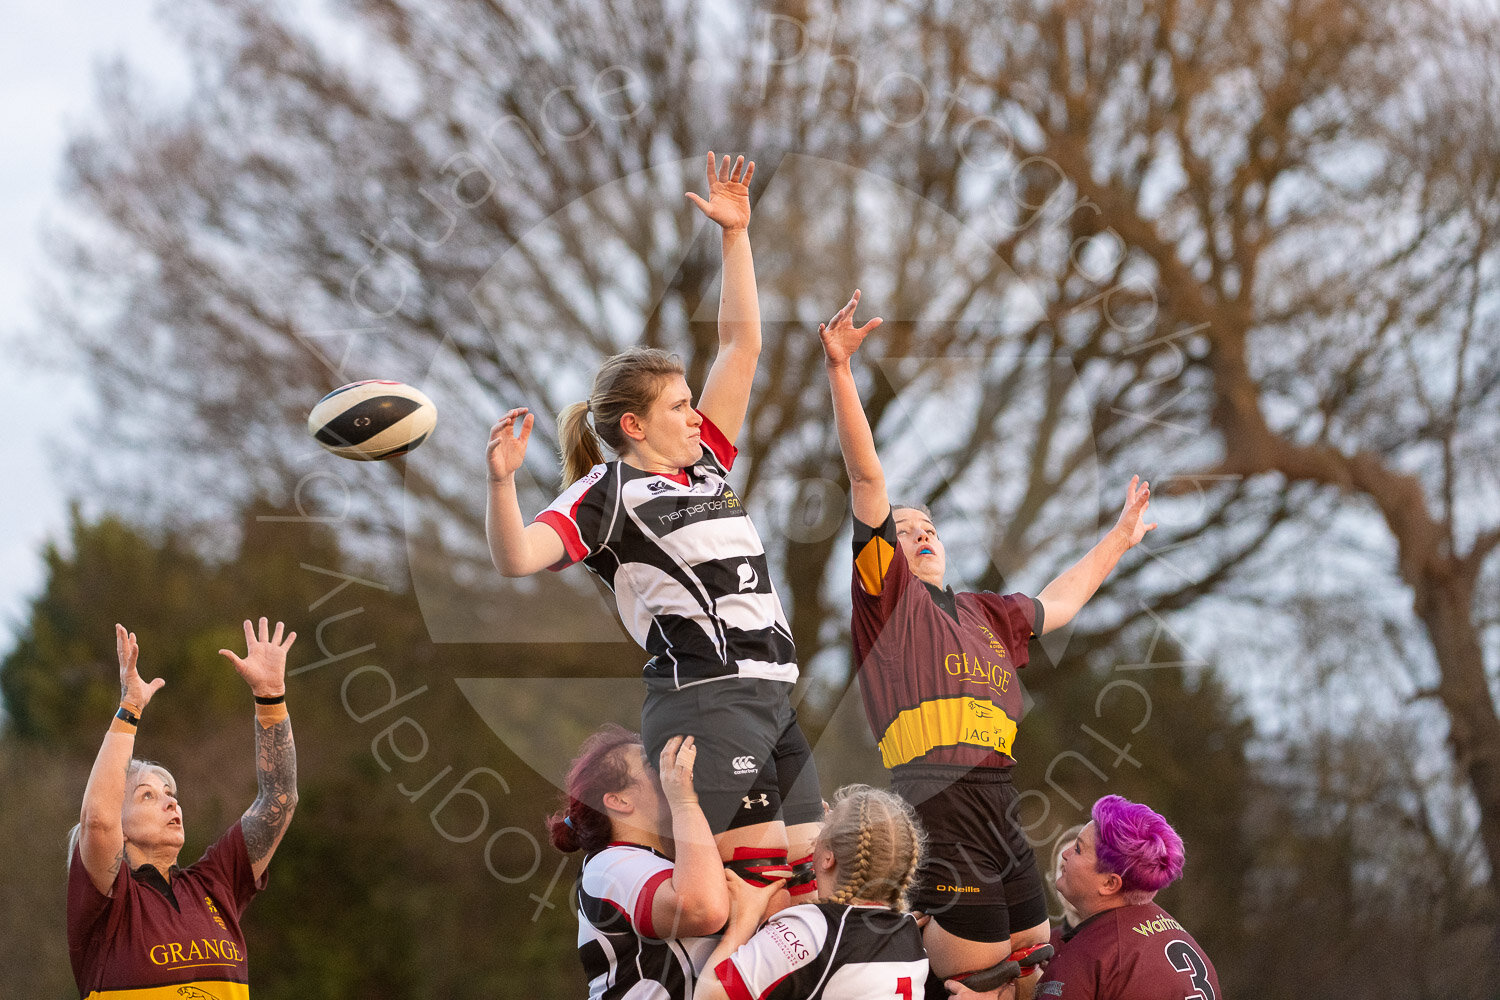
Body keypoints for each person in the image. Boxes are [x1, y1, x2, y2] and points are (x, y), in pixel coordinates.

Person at [488, 152, 822, 896]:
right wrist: (501, 482)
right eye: (678, 405)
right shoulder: (605, 493)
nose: (693, 413)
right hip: (706, 702)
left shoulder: (706, 465)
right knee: (750, 892)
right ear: (634, 424)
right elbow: (516, 556)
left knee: (815, 888)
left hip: (773, 694)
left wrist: (735, 237)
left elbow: (743, 345)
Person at [818, 290, 1157, 997]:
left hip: (1000, 804)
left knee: (1033, 970)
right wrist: (842, 374)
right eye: (903, 530)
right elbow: (866, 478)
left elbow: (1060, 600)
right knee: (977, 984)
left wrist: (1118, 541)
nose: (920, 533)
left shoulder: (986, 613)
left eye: (928, 524)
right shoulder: (889, 605)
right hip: (935, 803)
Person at [68, 618, 298, 999]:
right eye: (147, 795)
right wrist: (129, 708)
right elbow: (97, 821)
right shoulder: (107, 901)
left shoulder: (216, 882)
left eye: (170, 792)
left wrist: (271, 698)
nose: (171, 801)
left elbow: (280, 799)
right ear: (120, 824)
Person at [955, 795, 1219, 1000]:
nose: (1066, 853)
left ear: (1109, 883)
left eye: (1079, 849)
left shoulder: (1090, 955)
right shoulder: (1177, 934)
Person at [694, 785, 929, 1000]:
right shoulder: (910, 935)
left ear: (828, 858)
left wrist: (743, 921)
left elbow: (709, 995)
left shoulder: (811, 930)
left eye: (826, 825)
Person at [546, 725, 730, 999]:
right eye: (650, 762)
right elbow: (702, 909)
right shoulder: (606, 866)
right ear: (619, 800)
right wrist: (684, 802)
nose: (665, 766)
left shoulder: (681, 860)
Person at [1048, 824, 1088, 952]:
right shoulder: (1043, 949)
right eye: (1064, 868)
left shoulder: (1131, 937)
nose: (1073, 877)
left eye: (1081, 867)